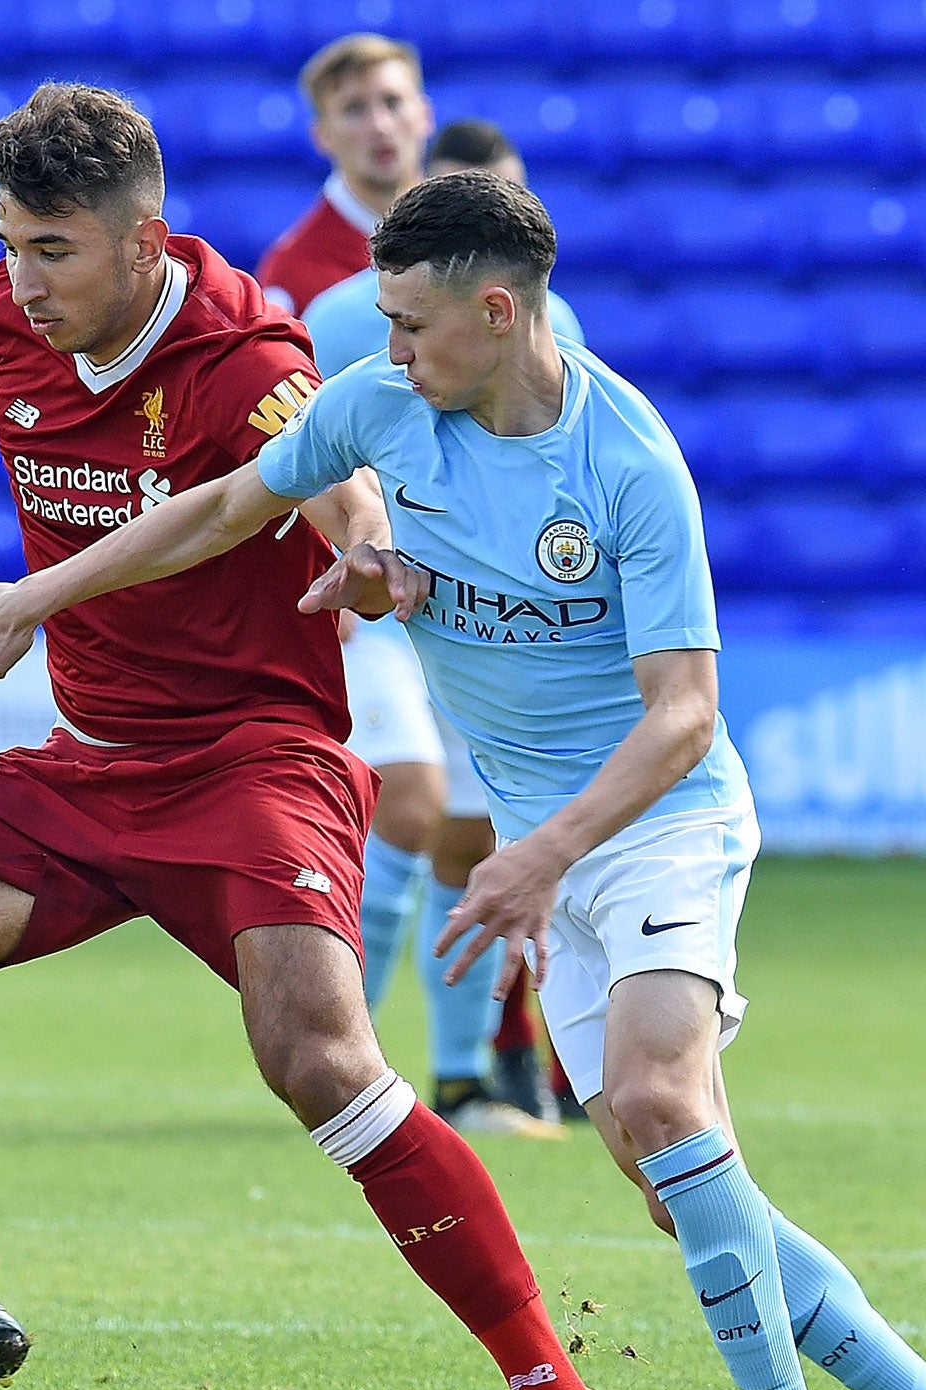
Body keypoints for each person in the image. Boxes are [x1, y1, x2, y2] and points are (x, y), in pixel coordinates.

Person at [0, 169, 926, 1390]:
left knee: (655, 1103)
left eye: (411, 326)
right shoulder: (383, 412)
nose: (387, 352)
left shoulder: (628, 462)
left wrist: (542, 853)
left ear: (499, 313)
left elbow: (684, 721)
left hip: (655, 826)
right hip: (542, 848)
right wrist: (59, 592)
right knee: (680, 1187)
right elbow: (223, 508)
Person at [0, 86, 651, 1390]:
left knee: (317, 1060)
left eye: (54, 249)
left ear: (143, 239)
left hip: (259, 761)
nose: (22, 281)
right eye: (8, 243)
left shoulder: (244, 353)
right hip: (93, 768)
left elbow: (338, 488)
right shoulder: (3, 326)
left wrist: (366, 551)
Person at [304, 117, 583, 1141]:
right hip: (377, 602)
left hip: (486, 616)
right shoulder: (337, 316)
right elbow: (280, 450)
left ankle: (464, 1074)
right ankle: (343, 1050)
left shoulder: (569, 339)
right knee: (410, 807)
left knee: (467, 834)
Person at [255, 33, 431, 317]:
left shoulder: (471, 241)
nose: (380, 126)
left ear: (425, 115)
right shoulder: (292, 275)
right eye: (355, 109)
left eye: (392, 102)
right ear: (321, 136)